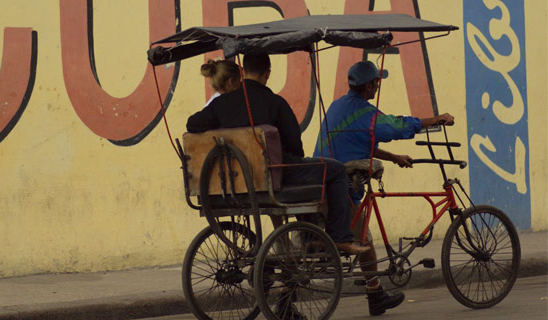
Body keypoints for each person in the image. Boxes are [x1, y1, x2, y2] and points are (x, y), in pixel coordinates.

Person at [187, 53, 370, 256]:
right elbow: (295, 147)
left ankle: (312, 238)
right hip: (274, 177)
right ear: (267, 73)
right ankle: (339, 237)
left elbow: (192, 124)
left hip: (234, 184)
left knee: (308, 175)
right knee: (334, 170)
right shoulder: (275, 103)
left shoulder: (221, 104)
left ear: (243, 72)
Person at [313, 60, 455, 316]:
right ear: (369, 85)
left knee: (362, 234)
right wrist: (436, 119)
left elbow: (361, 139)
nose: (377, 86)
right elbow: (397, 126)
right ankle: (375, 295)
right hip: (340, 185)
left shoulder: (338, 107)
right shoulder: (366, 114)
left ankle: (376, 291)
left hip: (322, 178)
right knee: (364, 239)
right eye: (376, 82)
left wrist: (394, 158)